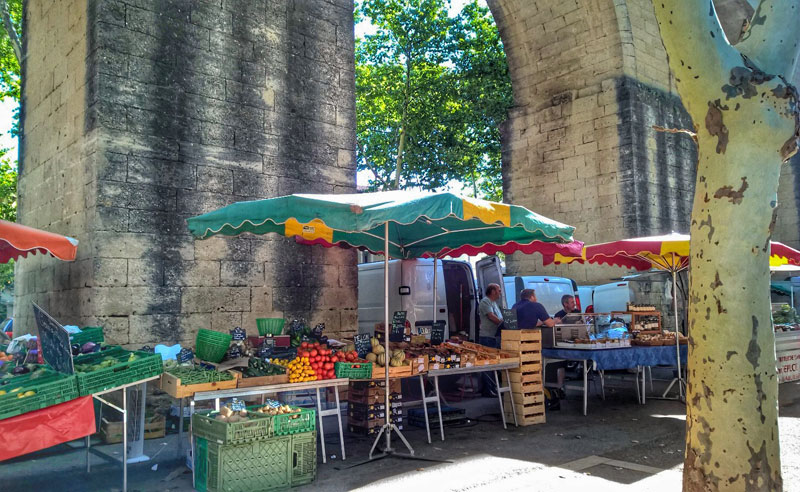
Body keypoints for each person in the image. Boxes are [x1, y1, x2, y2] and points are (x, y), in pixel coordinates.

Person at [478, 283, 503, 348]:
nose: (500, 293)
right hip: (487, 337)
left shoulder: (494, 303)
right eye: (499, 291)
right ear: (493, 291)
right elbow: (491, 316)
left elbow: (499, 317)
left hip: (494, 336)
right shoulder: (485, 301)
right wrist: (503, 325)